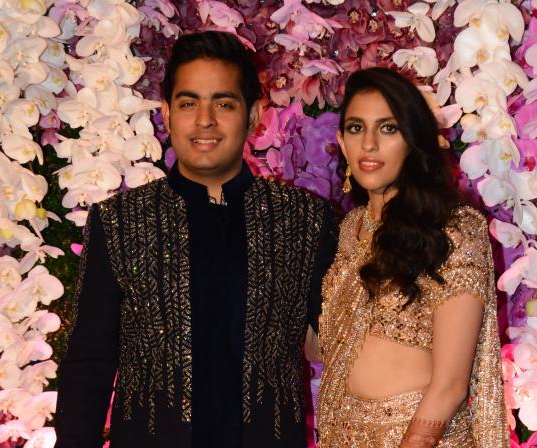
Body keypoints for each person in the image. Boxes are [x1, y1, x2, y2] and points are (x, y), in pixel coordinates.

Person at [54, 31, 336, 448]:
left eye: (223, 104)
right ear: (167, 114)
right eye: (188, 103)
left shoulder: (305, 219)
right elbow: (89, 360)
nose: (205, 120)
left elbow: (339, 342)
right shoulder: (119, 221)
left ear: (253, 115)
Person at [315, 68, 508, 447]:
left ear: (413, 140)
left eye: (388, 129)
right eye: (356, 128)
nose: (369, 144)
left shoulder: (452, 230)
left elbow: (450, 386)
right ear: (341, 142)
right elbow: (332, 347)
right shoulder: (350, 229)